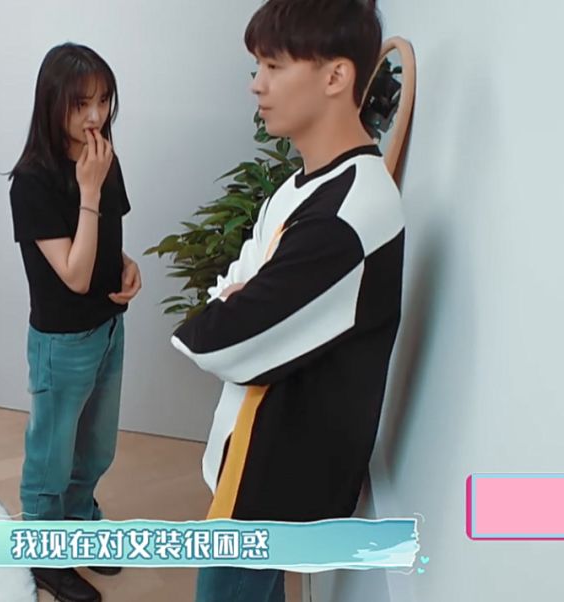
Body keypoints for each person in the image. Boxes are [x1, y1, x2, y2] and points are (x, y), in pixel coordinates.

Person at [170, 1, 402, 600]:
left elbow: (222, 340)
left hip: (273, 480)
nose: (257, 84)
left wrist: (241, 301)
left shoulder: (349, 214)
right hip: (254, 457)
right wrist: (245, 294)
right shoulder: (303, 185)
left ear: (336, 76)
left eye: (273, 66)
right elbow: (236, 279)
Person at [8, 42, 141, 602]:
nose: (95, 116)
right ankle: (43, 553)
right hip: (62, 342)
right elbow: (75, 274)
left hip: (109, 328)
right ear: (53, 103)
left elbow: (105, 243)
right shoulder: (32, 181)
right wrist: (89, 190)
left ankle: (81, 523)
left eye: (103, 101)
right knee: (51, 458)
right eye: (82, 103)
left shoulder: (103, 156)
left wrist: (127, 265)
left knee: (96, 448)